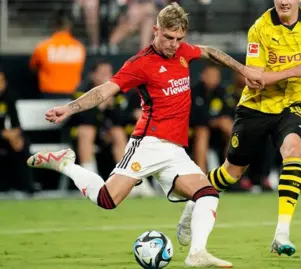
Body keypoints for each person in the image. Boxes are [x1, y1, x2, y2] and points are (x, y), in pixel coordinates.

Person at [27, 3, 263, 267]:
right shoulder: (140, 63)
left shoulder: (183, 51)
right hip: (148, 143)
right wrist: (69, 108)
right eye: (168, 38)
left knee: (208, 194)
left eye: (179, 39)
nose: (174, 44)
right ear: (155, 30)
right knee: (107, 199)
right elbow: (105, 90)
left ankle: (197, 253)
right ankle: (66, 164)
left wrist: (244, 70)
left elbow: (211, 52)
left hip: (175, 150)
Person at [178, 0, 301, 256]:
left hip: (291, 106)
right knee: (231, 173)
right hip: (256, 108)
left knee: (293, 149)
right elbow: (253, 78)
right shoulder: (260, 28)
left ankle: (281, 232)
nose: (284, 1)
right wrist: (294, 70)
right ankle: (193, 200)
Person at [29, 10, 86, 99]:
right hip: (72, 94)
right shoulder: (79, 47)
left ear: (53, 26)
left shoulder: (43, 46)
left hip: (48, 94)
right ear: (69, 26)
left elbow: (33, 67)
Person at [0, 70, 37, 195]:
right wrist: (5, 134)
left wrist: (15, 136)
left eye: (2, 81)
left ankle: (27, 185)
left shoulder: (9, 97)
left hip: (5, 135)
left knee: (23, 143)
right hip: (3, 134)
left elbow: (16, 122)